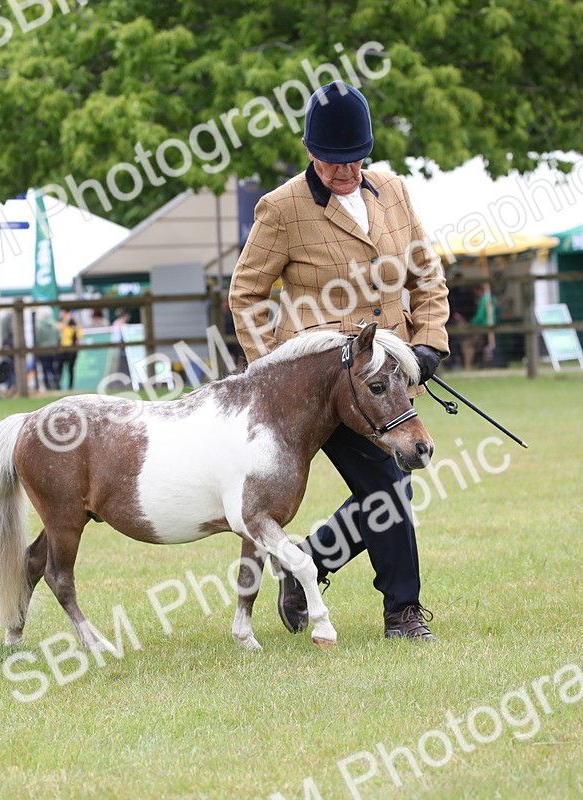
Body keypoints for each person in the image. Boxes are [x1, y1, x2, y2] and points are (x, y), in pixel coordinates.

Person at [229, 81, 451, 641]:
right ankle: (402, 613)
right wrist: (270, 370)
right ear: (310, 153)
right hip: (315, 384)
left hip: (385, 380)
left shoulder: (394, 192)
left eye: (354, 162)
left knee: (388, 487)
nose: (345, 174)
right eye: (332, 164)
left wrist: (427, 343)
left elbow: (426, 276)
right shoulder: (280, 210)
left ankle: (308, 560)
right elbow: (247, 294)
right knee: (388, 484)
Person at [460, 284, 497, 369]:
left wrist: (470, 323)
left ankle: (469, 365)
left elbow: (479, 316)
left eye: (475, 292)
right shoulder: (491, 299)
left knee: (469, 345)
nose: (475, 294)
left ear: (479, 290)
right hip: (491, 325)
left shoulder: (483, 300)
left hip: (483, 326)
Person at [32, 307, 60, 391]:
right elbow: (58, 337)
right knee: (54, 368)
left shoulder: (38, 325)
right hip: (54, 349)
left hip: (43, 350)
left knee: (45, 368)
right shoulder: (54, 324)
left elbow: (37, 338)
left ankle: (47, 385)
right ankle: (57, 384)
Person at [56, 308, 81, 390]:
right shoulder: (59, 323)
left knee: (71, 369)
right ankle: (58, 386)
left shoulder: (75, 325)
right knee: (60, 369)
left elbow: (78, 338)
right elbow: (60, 329)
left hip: (71, 351)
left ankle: (70, 387)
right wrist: (66, 320)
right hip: (61, 350)